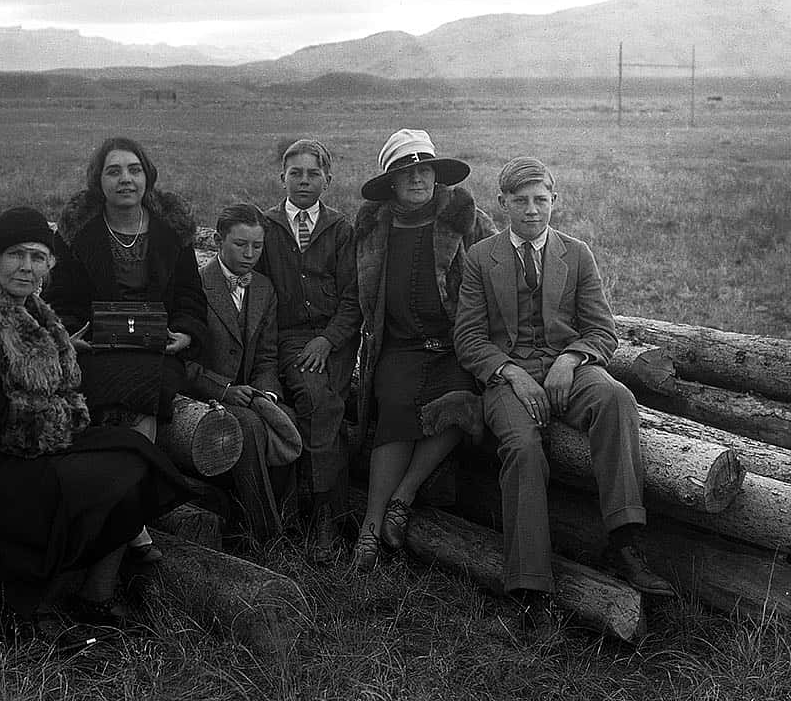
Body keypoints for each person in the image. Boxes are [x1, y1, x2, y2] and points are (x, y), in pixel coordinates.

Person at [0, 207, 189, 627]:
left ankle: (96, 595)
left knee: (135, 454)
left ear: (49, 265)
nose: (26, 267)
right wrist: (65, 435)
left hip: (21, 443)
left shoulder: (38, 315)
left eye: (37, 256)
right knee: (85, 480)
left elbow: (60, 394)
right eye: (15, 255)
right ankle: (28, 608)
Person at [454, 156, 675, 620]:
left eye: (541, 200)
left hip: (568, 372)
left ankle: (624, 541)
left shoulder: (576, 254)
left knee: (617, 398)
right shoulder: (480, 258)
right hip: (506, 378)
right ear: (502, 204)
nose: (532, 210)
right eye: (520, 201)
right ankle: (528, 584)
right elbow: (469, 338)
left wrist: (570, 360)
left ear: (555, 201)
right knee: (523, 446)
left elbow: (602, 330)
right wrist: (511, 373)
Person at [45, 137, 209, 563]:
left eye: (134, 169)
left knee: (145, 394)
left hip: (158, 347)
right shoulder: (77, 232)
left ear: (147, 176)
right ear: (98, 180)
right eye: (114, 171)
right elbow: (61, 300)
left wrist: (185, 335)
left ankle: (126, 515)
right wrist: (69, 335)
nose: (125, 179)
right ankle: (130, 519)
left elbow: (191, 296)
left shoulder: (172, 230)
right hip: (99, 345)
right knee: (108, 398)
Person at [351, 129, 497, 572]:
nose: (418, 179)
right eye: (407, 173)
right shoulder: (372, 228)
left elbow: (500, 275)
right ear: (391, 183)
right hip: (399, 347)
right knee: (393, 406)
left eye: (425, 169)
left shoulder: (469, 222)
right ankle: (370, 529)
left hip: (457, 346)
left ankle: (403, 498)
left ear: (437, 175)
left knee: (458, 403)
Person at [256, 139, 361, 562]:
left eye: (313, 173)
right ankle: (323, 515)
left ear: (328, 180)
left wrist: (329, 339)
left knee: (328, 403)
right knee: (319, 401)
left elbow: (354, 298)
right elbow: (259, 295)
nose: (304, 181)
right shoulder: (266, 226)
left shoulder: (340, 228)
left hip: (333, 338)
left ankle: (325, 513)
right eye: (295, 173)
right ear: (282, 178)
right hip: (290, 339)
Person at [184, 203, 303, 541]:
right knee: (249, 426)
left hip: (250, 392)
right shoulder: (195, 285)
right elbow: (184, 364)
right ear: (218, 241)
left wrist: (267, 394)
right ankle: (263, 531)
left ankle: (289, 517)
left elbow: (267, 356)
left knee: (286, 417)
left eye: (257, 245)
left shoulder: (264, 288)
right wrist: (223, 390)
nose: (250, 254)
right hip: (201, 395)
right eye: (240, 244)